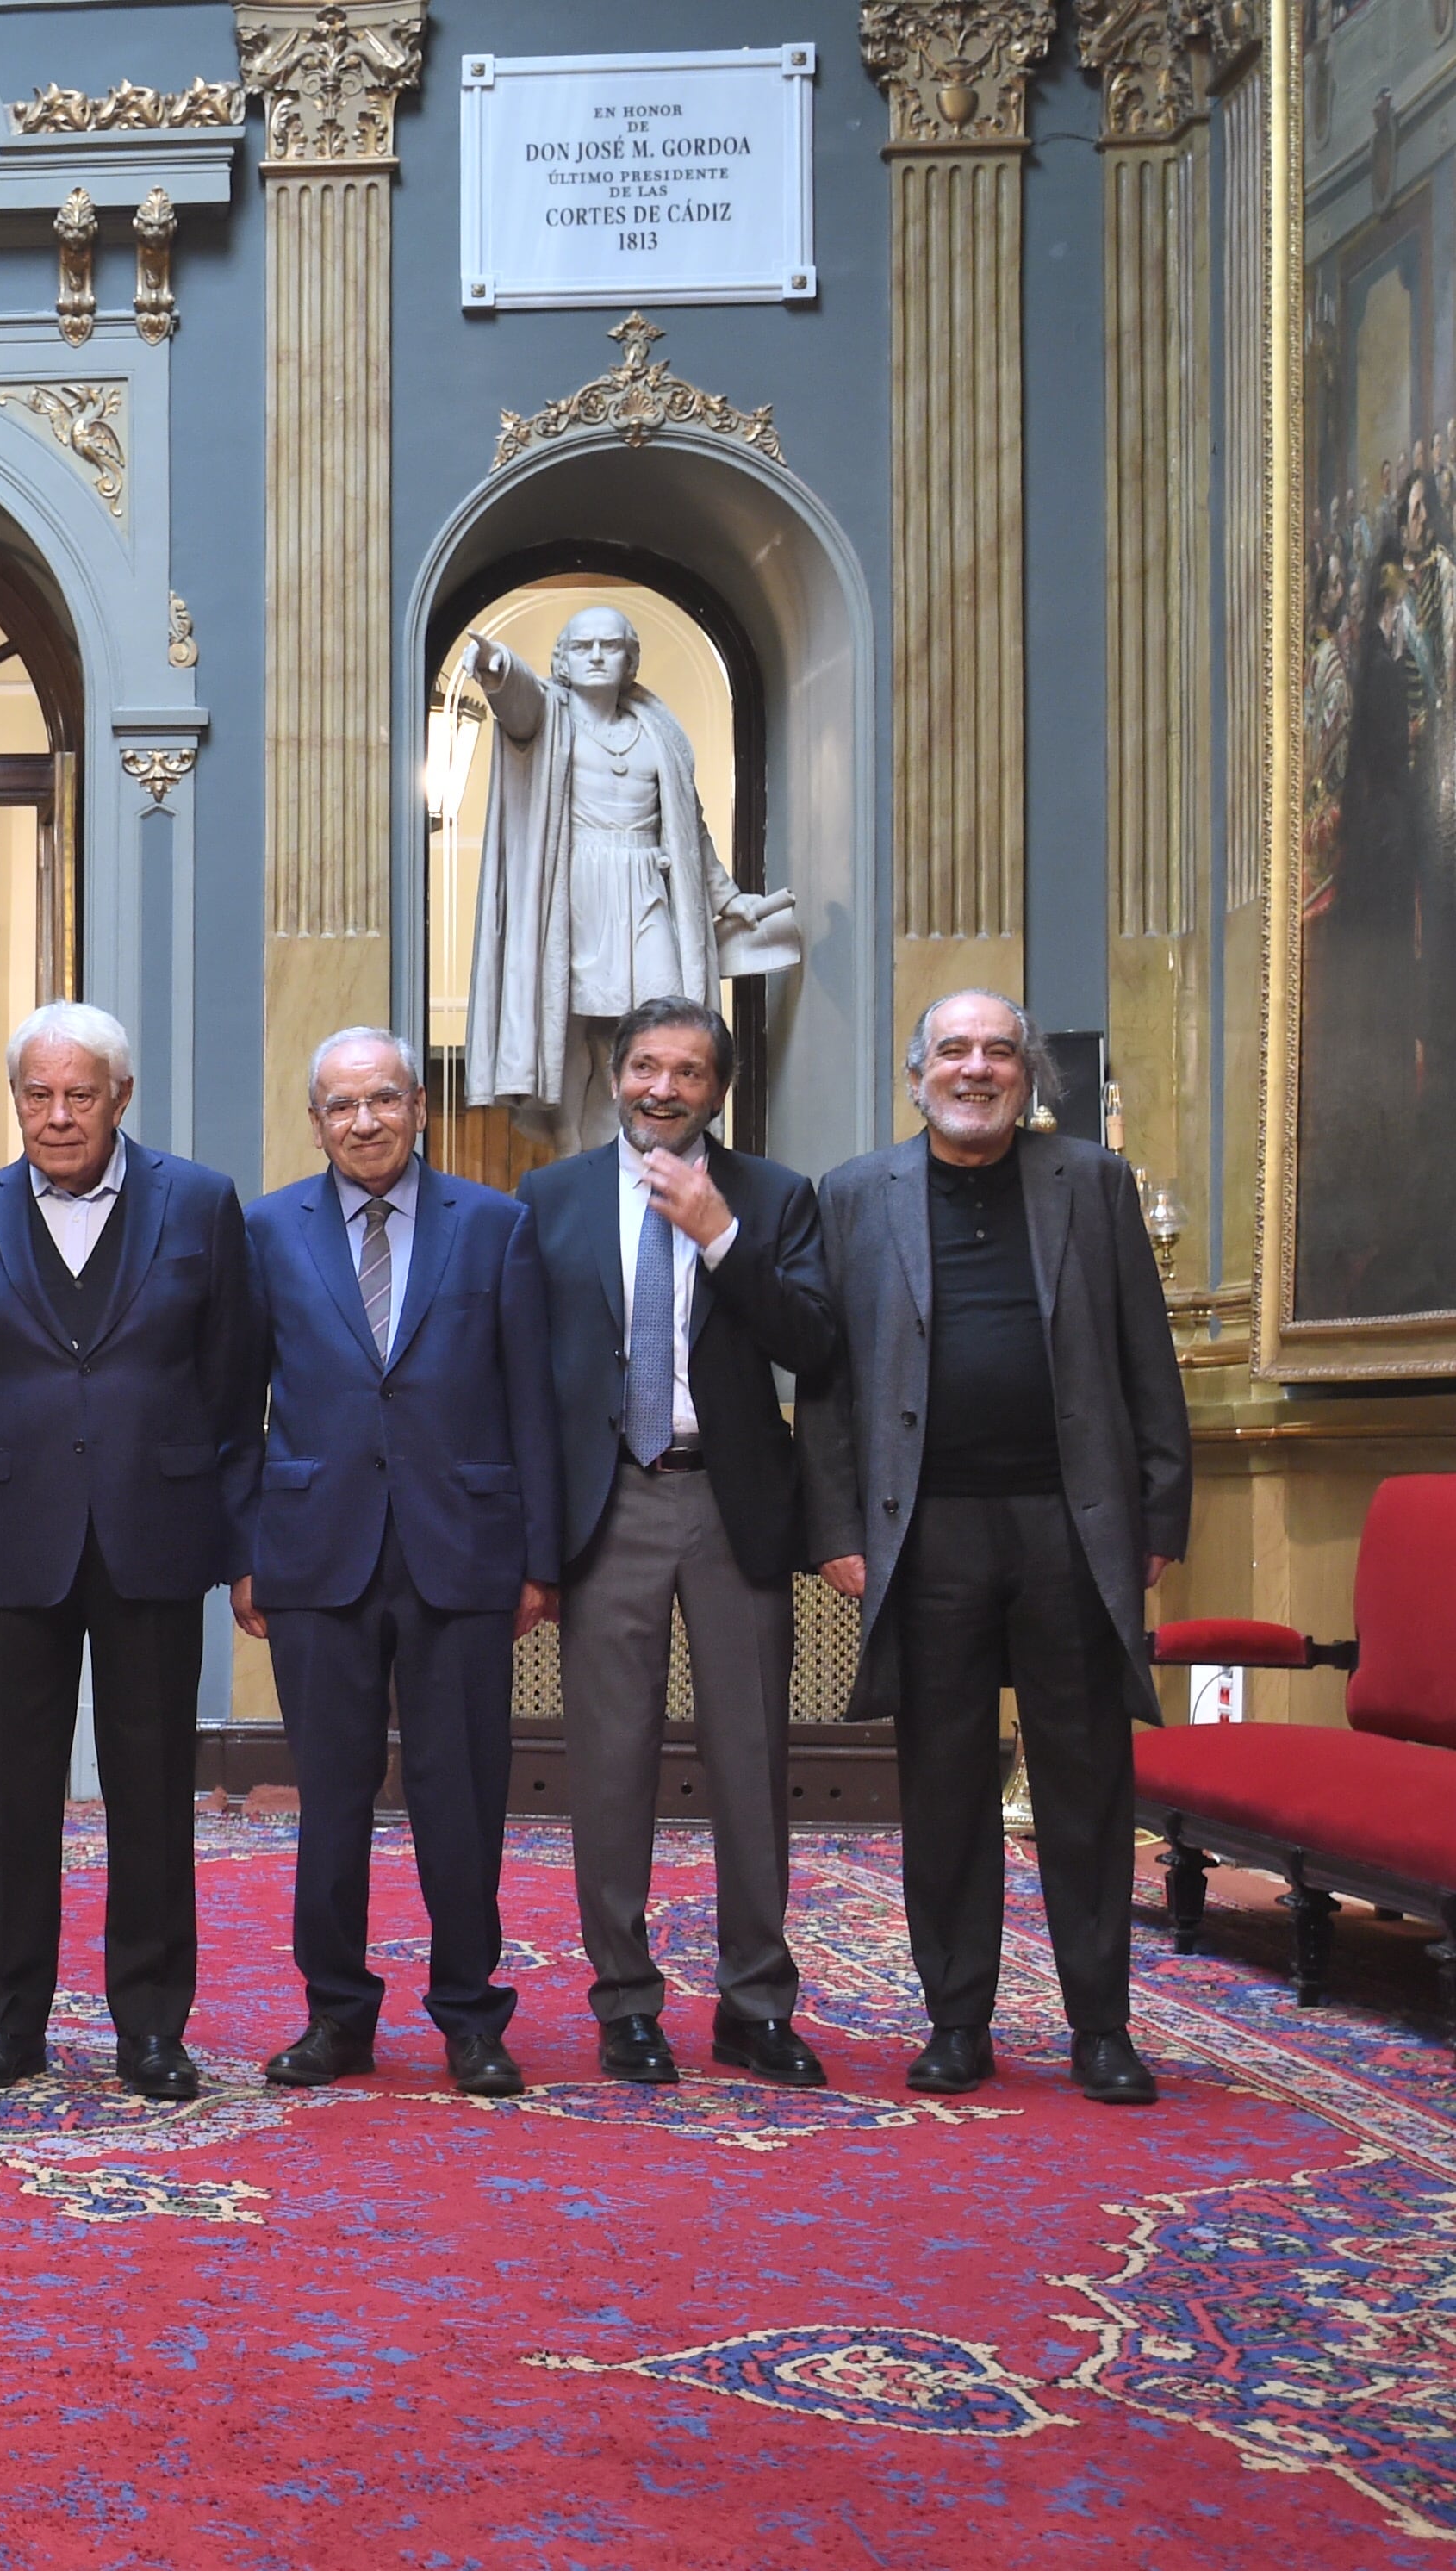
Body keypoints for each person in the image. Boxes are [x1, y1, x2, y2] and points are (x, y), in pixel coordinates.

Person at [800, 992, 1193, 2107]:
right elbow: (826, 1385)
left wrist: (1159, 1515)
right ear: (916, 1072)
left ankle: (1101, 2028)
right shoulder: (853, 1194)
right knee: (945, 1784)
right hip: (925, 1534)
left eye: (999, 1052)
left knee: (1086, 1781)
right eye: (955, 1051)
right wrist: (836, 1528)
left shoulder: (1093, 1183)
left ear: (1029, 1075)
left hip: (1073, 1526)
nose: (976, 1069)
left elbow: (1145, 1354)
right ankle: (956, 2022)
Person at [0, 1001, 255, 2101]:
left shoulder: (197, 1202)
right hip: (16, 1536)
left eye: (78, 1094)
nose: (57, 1115)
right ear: (15, 1099)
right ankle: (7, 2022)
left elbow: (230, 1377)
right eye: (37, 1094)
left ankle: (151, 2028)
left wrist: (181, 1490)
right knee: (17, 1798)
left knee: (151, 1794)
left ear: (120, 1097)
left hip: (153, 1533)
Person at [232, 1027, 562, 2098]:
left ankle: (470, 2016)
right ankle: (335, 2014)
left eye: (382, 1098)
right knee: (329, 1798)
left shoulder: (496, 1224)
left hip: (460, 1550)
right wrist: (245, 1548)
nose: (363, 1120)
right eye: (341, 1104)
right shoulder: (266, 1228)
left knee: (459, 1795)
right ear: (314, 1120)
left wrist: (538, 1558)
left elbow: (532, 1399)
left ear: (419, 1105)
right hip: (314, 1550)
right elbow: (235, 1400)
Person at [517, 997, 837, 2089]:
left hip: (731, 1502)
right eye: (646, 1066)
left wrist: (720, 1237)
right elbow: (525, 1373)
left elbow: (812, 1342)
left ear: (718, 1090)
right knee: (610, 1766)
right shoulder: (550, 1198)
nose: (663, 1088)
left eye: (688, 1071)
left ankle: (756, 2002)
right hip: (608, 1500)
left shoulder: (776, 1196)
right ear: (616, 1074)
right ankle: (625, 2003)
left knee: (751, 1760)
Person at [461, 605, 798, 1147]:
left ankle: (654, 1142)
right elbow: (518, 702)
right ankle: (572, 1150)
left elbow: (689, 830)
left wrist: (728, 898)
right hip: (574, 892)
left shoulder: (656, 730)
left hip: (645, 886)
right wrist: (497, 667)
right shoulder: (550, 718)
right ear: (563, 660)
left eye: (610, 646)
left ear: (629, 659)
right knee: (569, 1027)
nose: (596, 656)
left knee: (665, 1019)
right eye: (582, 646)